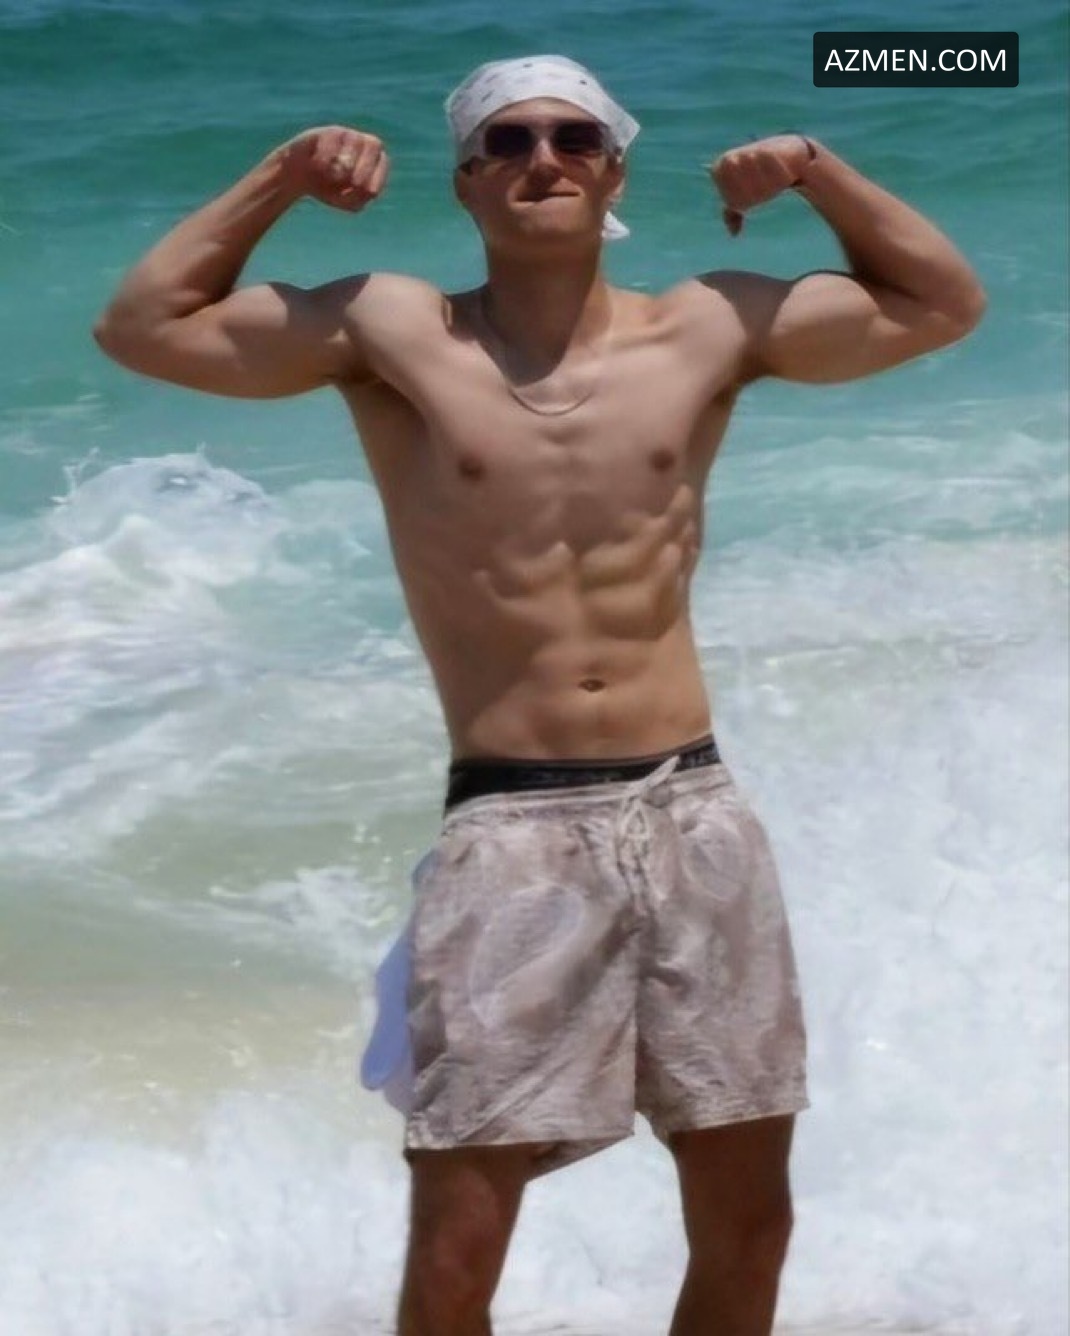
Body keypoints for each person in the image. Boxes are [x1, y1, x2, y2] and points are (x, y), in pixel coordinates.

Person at [94, 53, 985, 1336]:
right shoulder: (391, 330)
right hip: (512, 827)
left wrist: (810, 169)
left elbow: (940, 302)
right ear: (464, 181)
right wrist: (284, 177)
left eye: (572, 137)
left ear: (614, 171)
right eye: (504, 142)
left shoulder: (706, 324)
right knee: (459, 1236)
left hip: (692, 811)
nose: (541, 159)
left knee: (747, 1218)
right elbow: (140, 326)